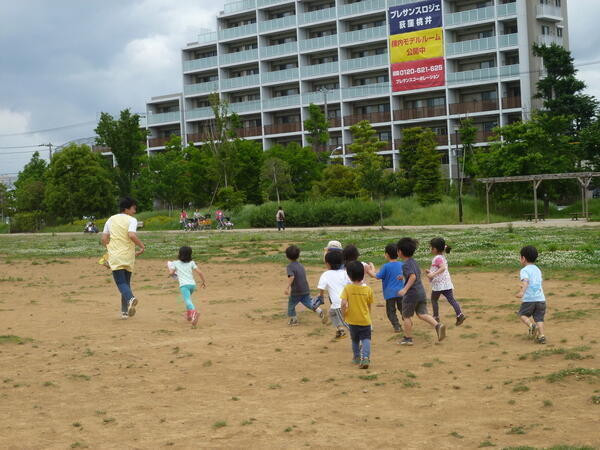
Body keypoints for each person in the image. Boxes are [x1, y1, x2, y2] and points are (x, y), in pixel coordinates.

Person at [396, 237, 446, 346]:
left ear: (400, 252)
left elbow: (413, 277)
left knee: (406, 316)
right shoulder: (413, 262)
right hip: (420, 292)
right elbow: (415, 274)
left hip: (411, 295)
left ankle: (407, 339)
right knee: (422, 313)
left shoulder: (405, 264)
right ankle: (438, 325)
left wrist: (404, 289)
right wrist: (403, 277)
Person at [101, 197, 145, 319]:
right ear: (126, 209)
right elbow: (131, 235)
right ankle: (125, 311)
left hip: (115, 256)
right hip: (128, 256)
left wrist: (108, 250)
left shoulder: (110, 219)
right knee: (125, 284)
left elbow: (104, 239)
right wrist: (142, 246)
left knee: (121, 283)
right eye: (133, 208)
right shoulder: (132, 220)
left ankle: (130, 299)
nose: (134, 211)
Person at [341, 261, 374, 369]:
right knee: (366, 339)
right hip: (365, 319)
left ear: (349, 276)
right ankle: (365, 358)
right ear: (363, 274)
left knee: (355, 340)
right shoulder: (368, 289)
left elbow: (343, 303)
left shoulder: (347, 288)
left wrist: (343, 314)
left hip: (352, 320)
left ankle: (356, 357)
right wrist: (368, 315)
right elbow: (369, 304)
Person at [426, 237, 466, 326]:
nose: (430, 249)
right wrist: (430, 272)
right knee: (451, 299)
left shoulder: (437, 258)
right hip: (446, 284)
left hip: (439, 285)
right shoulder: (442, 257)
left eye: (431, 247)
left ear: (435, 249)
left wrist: (432, 274)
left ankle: (436, 317)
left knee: (434, 300)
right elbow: (440, 268)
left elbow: (443, 268)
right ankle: (460, 315)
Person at [366, 243, 404, 333]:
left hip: (390, 293)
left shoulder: (386, 266)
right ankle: (407, 319)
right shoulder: (402, 264)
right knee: (403, 309)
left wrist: (368, 270)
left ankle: (397, 326)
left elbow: (377, 276)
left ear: (387, 254)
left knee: (391, 311)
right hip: (401, 292)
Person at [285, 245, 325, 326]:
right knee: (308, 303)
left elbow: (291, 276)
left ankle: (294, 320)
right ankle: (319, 311)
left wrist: (287, 287)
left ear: (287, 257)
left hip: (296, 291)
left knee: (291, 304)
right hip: (305, 289)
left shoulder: (289, 266)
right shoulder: (301, 265)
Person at [167, 246, 207, 327]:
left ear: (179, 254)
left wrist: (171, 271)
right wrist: (203, 281)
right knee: (187, 299)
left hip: (184, 286)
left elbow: (171, 273)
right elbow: (200, 272)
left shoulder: (175, 263)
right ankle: (189, 315)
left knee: (187, 300)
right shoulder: (192, 262)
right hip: (192, 285)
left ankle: (194, 313)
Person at [516, 245, 546, 344]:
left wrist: (522, 291)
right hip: (541, 299)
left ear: (523, 258)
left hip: (529, 299)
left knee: (522, 314)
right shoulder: (537, 269)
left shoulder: (524, 270)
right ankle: (541, 336)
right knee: (539, 318)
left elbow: (526, 281)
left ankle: (531, 325)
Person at [317, 250, 350, 340]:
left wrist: (320, 297)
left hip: (339, 304)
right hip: (347, 300)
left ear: (327, 264)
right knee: (331, 313)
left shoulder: (326, 274)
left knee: (347, 322)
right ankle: (340, 330)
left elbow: (321, 287)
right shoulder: (345, 272)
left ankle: (360, 339)